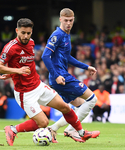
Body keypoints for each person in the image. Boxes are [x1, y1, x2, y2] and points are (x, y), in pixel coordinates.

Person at [0, 18, 99, 146]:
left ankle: (82, 133)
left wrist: (12, 73)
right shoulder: (10, 47)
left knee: (65, 107)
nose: (26, 36)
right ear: (17, 31)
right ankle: (12, 129)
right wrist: (16, 71)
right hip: (25, 93)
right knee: (43, 123)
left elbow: (27, 64)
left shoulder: (31, 43)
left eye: (28, 33)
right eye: (23, 33)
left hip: (38, 86)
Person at [41, 8, 100, 143]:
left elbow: (67, 58)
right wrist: (56, 75)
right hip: (61, 77)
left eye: (71, 20)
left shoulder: (67, 35)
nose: (68, 23)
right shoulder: (57, 35)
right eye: (66, 20)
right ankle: (72, 130)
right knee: (92, 99)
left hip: (61, 77)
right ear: (60, 19)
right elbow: (45, 56)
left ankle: (53, 129)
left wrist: (86, 67)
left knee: (78, 106)